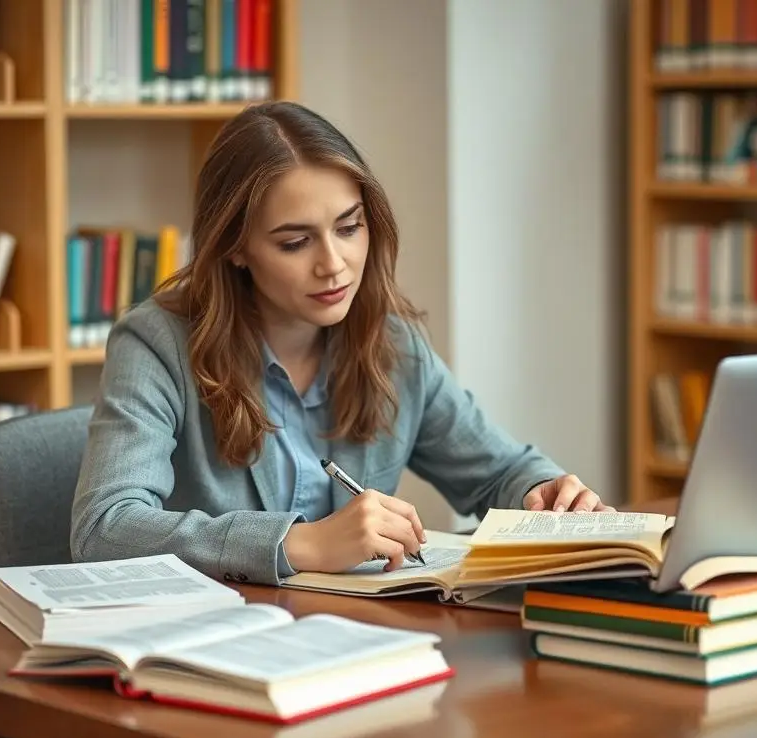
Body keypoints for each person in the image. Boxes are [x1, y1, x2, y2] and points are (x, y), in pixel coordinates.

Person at [70, 100, 609, 586]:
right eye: (295, 242)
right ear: (235, 247)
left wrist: (547, 494)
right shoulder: (157, 344)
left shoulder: (392, 342)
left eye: (349, 228)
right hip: (212, 650)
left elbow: (499, 471)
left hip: (353, 643)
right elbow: (104, 529)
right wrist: (299, 543)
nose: (334, 264)